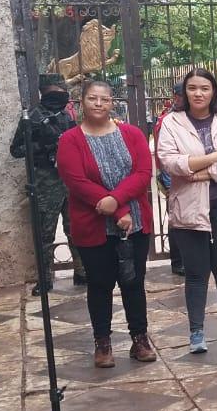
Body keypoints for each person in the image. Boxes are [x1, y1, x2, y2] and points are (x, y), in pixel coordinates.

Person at [56, 78, 156, 367]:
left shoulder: (133, 134)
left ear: (113, 103)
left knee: (134, 282)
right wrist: (116, 209)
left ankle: (140, 339)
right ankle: (103, 342)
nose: (99, 103)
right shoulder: (70, 140)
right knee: (100, 284)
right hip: (94, 222)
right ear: (80, 103)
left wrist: (119, 203)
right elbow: (76, 182)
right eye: (92, 99)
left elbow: (142, 172)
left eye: (105, 99)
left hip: (134, 224)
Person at [156, 67, 217, 353]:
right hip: (189, 209)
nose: (199, 93)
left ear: (213, 91)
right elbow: (169, 161)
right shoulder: (172, 122)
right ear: (185, 91)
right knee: (196, 274)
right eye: (193, 88)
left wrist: (199, 172)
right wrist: (212, 157)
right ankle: (196, 331)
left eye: (205, 88)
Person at [11, 74, 85, 293]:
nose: (62, 93)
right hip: (45, 184)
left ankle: (82, 273)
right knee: (45, 234)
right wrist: (42, 146)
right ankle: (44, 279)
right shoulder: (32, 117)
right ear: (45, 90)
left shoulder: (65, 116)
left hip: (69, 181)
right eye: (58, 89)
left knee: (75, 229)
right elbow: (16, 150)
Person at [152, 83, 186, 276]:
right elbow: (163, 155)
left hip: (193, 174)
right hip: (172, 175)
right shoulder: (166, 120)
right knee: (176, 218)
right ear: (175, 97)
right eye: (183, 95)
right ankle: (178, 261)